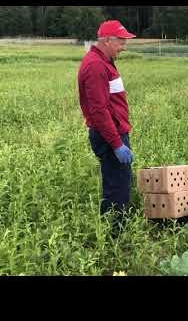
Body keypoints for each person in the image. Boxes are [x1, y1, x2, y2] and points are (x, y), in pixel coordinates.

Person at [78, 20, 136, 234]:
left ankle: (116, 230)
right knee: (117, 188)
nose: (124, 47)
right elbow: (98, 111)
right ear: (106, 40)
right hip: (109, 135)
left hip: (115, 132)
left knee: (121, 182)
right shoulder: (95, 66)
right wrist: (117, 143)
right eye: (121, 42)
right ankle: (114, 236)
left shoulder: (105, 61)